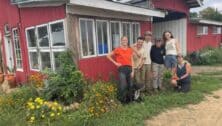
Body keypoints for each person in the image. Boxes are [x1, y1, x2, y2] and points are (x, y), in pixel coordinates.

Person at [107, 36, 134, 103]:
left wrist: (133, 71)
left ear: (127, 41)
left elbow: (132, 60)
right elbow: (108, 56)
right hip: (122, 69)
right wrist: (115, 63)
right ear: (121, 41)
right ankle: (123, 100)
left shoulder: (130, 49)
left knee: (130, 85)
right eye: (123, 40)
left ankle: (130, 99)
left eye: (126, 40)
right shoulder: (118, 49)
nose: (125, 41)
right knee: (123, 85)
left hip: (129, 69)